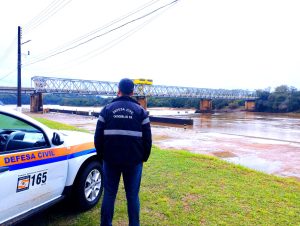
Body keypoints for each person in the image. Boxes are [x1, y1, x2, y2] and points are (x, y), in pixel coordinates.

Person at [94, 78, 152, 226]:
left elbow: (98, 137)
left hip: (110, 160)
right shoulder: (141, 112)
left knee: (109, 194)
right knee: (132, 196)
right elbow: (147, 139)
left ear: (118, 90)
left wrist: (102, 156)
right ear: (132, 92)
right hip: (134, 161)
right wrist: (143, 157)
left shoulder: (106, 110)